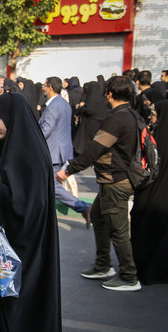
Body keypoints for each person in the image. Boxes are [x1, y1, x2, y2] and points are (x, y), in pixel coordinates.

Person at [0, 92, 62, 332]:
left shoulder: (28, 155)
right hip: (14, 251)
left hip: (25, 253)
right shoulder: (10, 148)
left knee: (22, 311)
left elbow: (26, 209)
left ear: (15, 120)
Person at [56, 76, 141, 292]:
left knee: (118, 231)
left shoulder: (117, 119)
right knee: (97, 218)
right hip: (112, 180)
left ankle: (129, 276)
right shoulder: (129, 115)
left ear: (110, 94)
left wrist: (68, 170)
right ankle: (103, 265)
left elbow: (94, 150)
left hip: (116, 181)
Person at [40, 77, 92, 227]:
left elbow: (46, 130)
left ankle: (83, 207)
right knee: (49, 186)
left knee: (52, 187)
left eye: (44, 85)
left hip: (53, 152)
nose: (43, 88)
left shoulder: (53, 106)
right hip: (61, 150)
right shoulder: (64, 104)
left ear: (50, 87)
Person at [130, 99, 168, 285]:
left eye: (154, 116)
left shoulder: (158, 139)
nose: (152, 119)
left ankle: (143, 268)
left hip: (152, 196)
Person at [73, 81, 109, 156]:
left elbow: (89, 110)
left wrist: (82, 107)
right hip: (99, 125)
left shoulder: (91, 97)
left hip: (89, 125)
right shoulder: (102, 99)